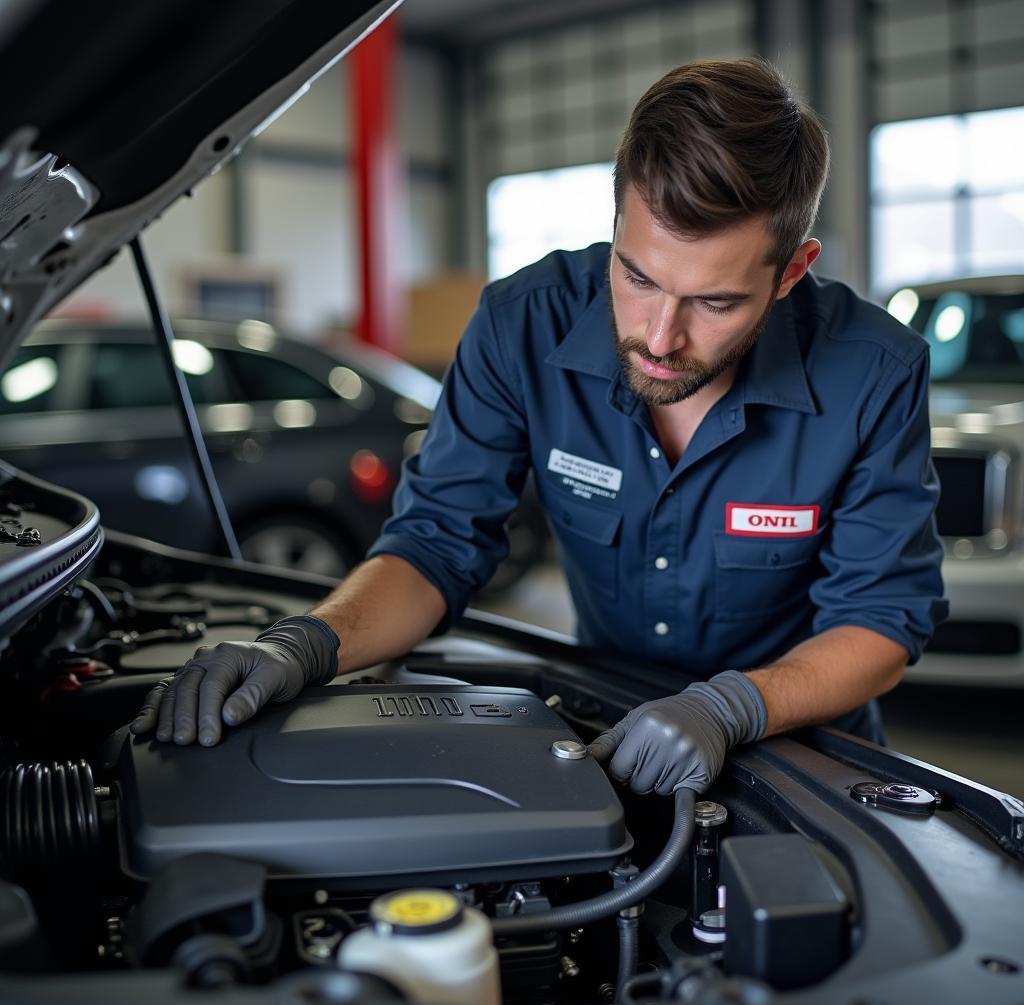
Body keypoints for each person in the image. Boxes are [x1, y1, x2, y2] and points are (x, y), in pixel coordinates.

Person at [131, 57, 947, 796]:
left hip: (805, 759)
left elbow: (878, 620)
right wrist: (301, 647)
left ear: (792, 272)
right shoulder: (521, 326)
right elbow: (436, 545)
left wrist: (734, 706)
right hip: (609, 736)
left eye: (715, 302)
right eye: (637, 277)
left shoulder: (873, 372)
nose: (661, 338)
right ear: (618, 219)